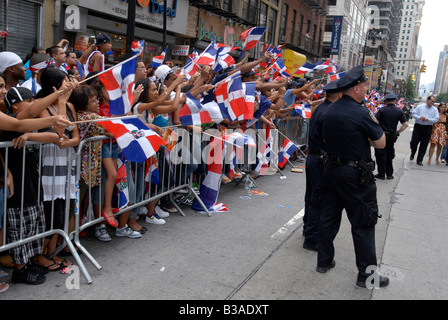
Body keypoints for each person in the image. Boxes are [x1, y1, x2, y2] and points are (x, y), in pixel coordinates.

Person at [318, 65, 389, 288]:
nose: (366, 88)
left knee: (329, 217)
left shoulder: (329, 109)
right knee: (364, 223)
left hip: (331, 170)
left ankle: (324, 261)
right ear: (356, 89)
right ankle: (367, 275)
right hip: (355, 175)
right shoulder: (361, 112)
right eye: (364, 85)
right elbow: (381, 142)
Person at [302, 80, 342, 251]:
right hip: (320, 159)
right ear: (339, 95)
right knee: (318, 199)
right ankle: (312, 238)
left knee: (311, 196)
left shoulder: (320, 108)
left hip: (314, 158)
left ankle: (307, 228)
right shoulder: (328, 112)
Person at [373, 93, 409, 179]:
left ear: (386, 101)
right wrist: (397, 132)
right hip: (392, 135)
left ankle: (381, 173)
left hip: (382, 135)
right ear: (395, 101)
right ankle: (389, 174)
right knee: (390, 154)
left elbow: (374, 121)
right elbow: (405, 124)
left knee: (380, 154)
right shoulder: (399, 111)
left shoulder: (382, 110)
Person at [409, 96, 438, 165]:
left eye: (433, 101)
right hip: (418, 126)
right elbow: (413, 114)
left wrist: (428, 119)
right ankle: (413, 153)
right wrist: (420, 117)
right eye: (432, 101)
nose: (432, 103)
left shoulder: (435, 110)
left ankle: (420, 159)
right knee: (414, 141)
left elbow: (436, 119)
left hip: (428, 127)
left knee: (424, 144)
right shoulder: (420, 107)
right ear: (428, 100)